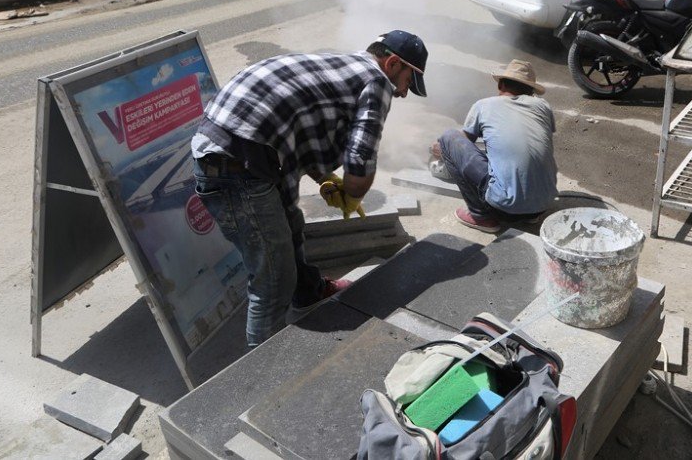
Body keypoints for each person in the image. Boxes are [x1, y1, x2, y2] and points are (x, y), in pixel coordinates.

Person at [191, 30, 428, 349]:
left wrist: (326, 179)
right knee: (272, 282)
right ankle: (263, 375)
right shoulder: (377, 82)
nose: (403, 94)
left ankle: (309, 292)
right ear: (393, 63)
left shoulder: (342, 64)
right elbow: (360, 159)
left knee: (290, 225)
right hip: (236, 166)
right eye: (407, 83)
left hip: (237, 151)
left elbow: (302, 132)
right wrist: (353, 194)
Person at [433, 59, 557, 233]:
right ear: (530, 91)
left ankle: (480, 215)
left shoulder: (484, 106)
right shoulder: (543, 106)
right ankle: (529, 215)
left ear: (501, 84)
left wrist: (442, 148)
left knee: (448, 137)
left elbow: (464, 141)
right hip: (543, 206)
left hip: (503, 209)